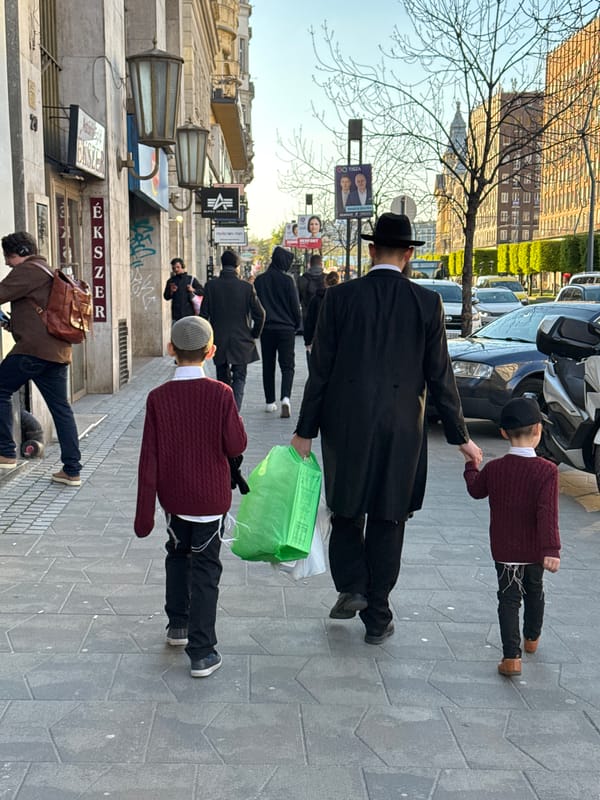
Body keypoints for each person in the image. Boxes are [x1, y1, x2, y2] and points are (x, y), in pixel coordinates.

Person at [291, 213, 482, 645]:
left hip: (346, 426)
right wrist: (462, 437)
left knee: (346, 509)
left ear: (372, 249)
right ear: (409, 254)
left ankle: (353, 585)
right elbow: (440, 376)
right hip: (402, 428)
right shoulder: (427, 303)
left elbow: (320, 372)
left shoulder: (338, 299)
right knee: (389, 515)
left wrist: (305, 430)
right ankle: (377, 617)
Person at [134, 316, 247, 678]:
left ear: (171, 349)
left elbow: (148, 458)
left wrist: (144, 513)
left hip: (174, 499)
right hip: (211, 500)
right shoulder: (221, 394)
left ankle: (178, 625)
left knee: (177, 555)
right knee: (206, 569)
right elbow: (236, 444)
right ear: (211, 351)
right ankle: (202, 651)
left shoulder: (157, 398)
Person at [463, 396, 560, 678]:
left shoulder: (495, 469)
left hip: (504, 549)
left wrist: (471, 464)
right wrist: (551, 549)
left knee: (508, 599)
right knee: (534, 592)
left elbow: (476, 490)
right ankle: (532, 638)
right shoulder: (547, 471)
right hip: (534, 551)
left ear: (504, 433)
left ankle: (511, 658)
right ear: (538, 430)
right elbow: (547, 513)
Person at [0, 231, 82, 486]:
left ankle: (6, 453)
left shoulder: (27, 271)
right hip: (57, 351)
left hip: (33, 351)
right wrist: (11, 324)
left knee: (0, 389)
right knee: (61, 410)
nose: (7, 263)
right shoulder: (47, 270)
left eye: (9, 256)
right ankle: (72, 470)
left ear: (23, 253)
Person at [200, 250, 265, 411]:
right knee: (239, 378)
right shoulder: (246, 287)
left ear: (222, 264)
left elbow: (203, 316)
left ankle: (224, 411)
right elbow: (260, 314)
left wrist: (206, 339)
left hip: (218, 340)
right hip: (242, 340)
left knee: (222, 380)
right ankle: (234, 413)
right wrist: (254, 334)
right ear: (237, 265)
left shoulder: (211, 286)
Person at [254, 246, 301, 419]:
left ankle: (269, 402)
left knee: (268, 365)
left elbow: (256, 307)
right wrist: (296, 324)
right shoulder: (288, 281)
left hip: (267, 329)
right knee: (287, 366)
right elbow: (295, 306)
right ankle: (285, 398)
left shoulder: (260, 280)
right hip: (286, 328)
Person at [303, 270, 340, 356]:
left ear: (325, 282)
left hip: (319, 338)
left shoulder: (316, 299)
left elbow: (309, 321)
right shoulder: (342, 299)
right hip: (337, 339)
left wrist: (307, 341)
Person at [163, 257, 203, 322]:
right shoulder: (171, 281)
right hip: (176, 315)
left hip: (189, 314)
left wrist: (193, 290)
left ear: (182, 266)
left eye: (178, 267)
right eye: (174, 268)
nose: (176, 269)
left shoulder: (191, 279)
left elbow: (202, 291)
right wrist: (171, 291)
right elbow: (166, 297)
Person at [297, 254, 325, 329]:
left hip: (307, 315)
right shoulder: (327, 278)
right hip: (323, 315)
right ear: (321, 264)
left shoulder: (302, 279)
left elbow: (297, 299)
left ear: (310, 264)